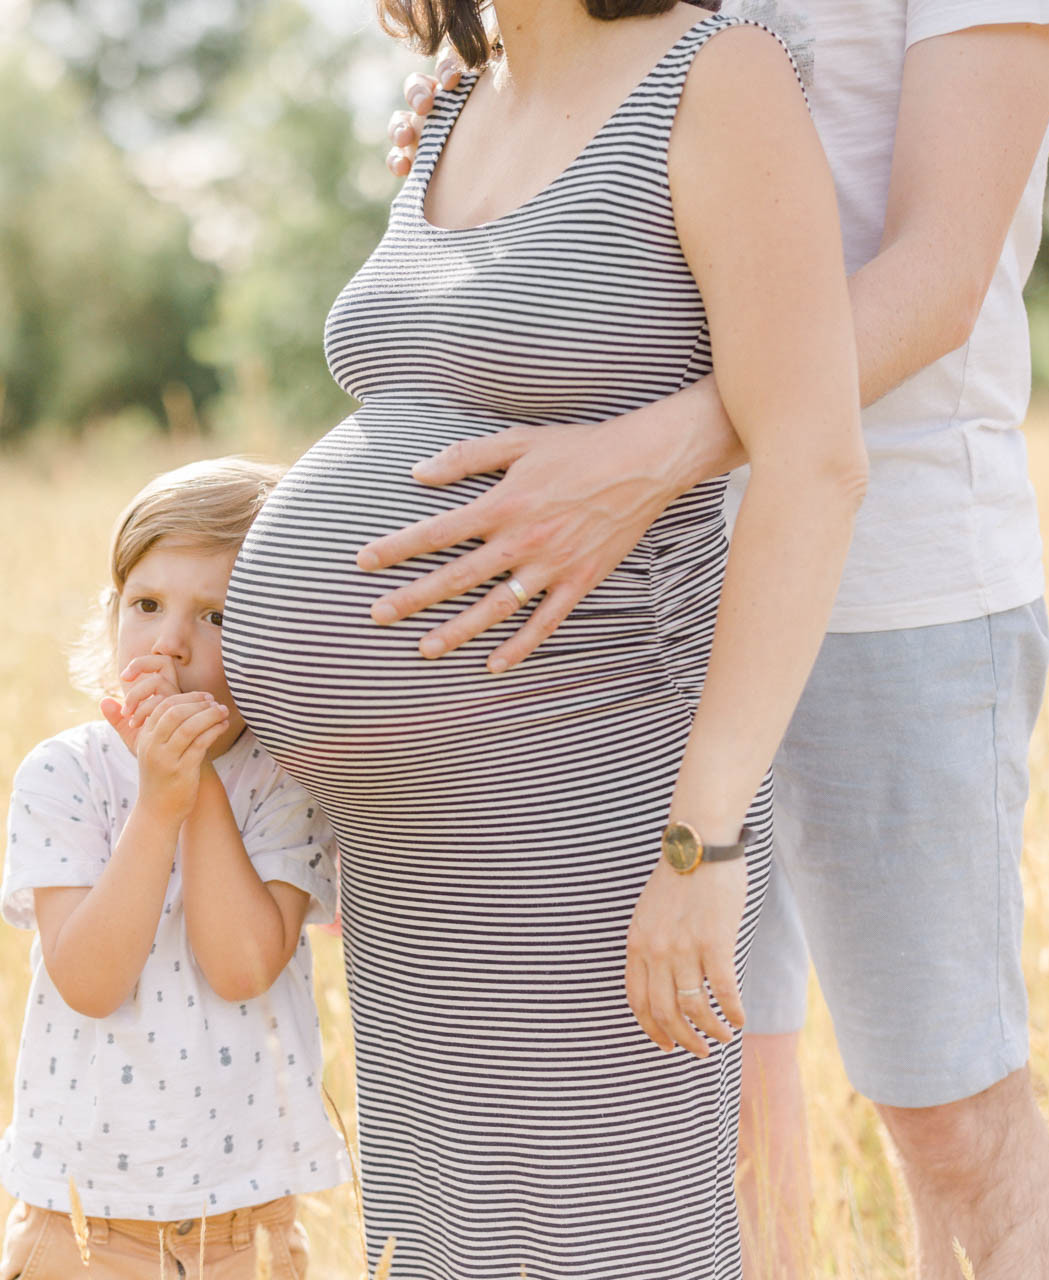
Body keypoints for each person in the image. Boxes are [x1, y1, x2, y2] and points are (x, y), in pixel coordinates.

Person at [379, 0, 1049, 1273]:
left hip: (896, 582)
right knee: (722, 1119)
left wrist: (649, 454)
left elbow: (940, 275)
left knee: (953, 1122)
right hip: (638, 596)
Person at [219, 0, 863, 1272]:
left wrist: (703, 841)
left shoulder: (718, 77)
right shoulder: (463, 96)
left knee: (604, 1228)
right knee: (450, 1234)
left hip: (588, 798)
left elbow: (816, 461)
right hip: (417, 853)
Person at [0, 458, 350, 1280]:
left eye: (216, 616)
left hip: (246, 1226)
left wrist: (199, 790)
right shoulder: (64, 775)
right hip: (82, 1226)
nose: (169, 642)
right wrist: (156, 807)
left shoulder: (286, 784)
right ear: (113, 611)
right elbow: (89, 981)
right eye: (146, 605)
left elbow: (242, 967)